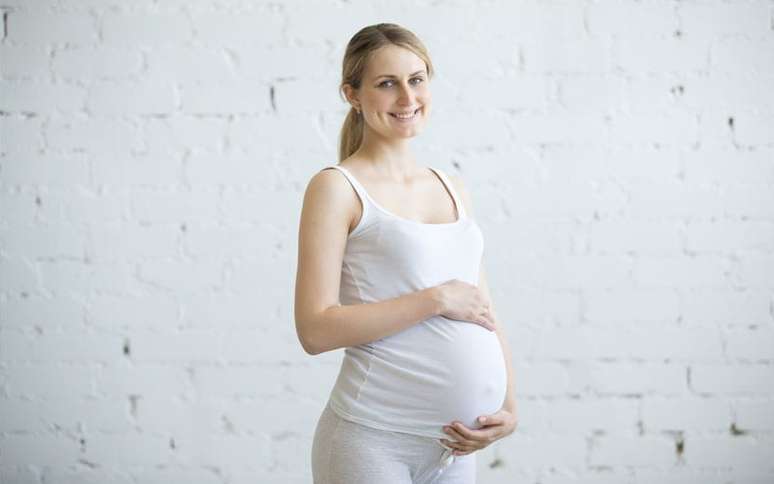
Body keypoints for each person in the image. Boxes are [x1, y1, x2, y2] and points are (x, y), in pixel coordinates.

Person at [294, 23, 518, 484]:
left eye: (416, 79)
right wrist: (434, 299)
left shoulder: (451, 186)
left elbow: (483, 310)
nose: (407, 97)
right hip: (372, 442)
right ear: (352, 94)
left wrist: (509, 407)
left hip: (456, 447)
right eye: (386, 83)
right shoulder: (337, 188)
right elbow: (314, 330)